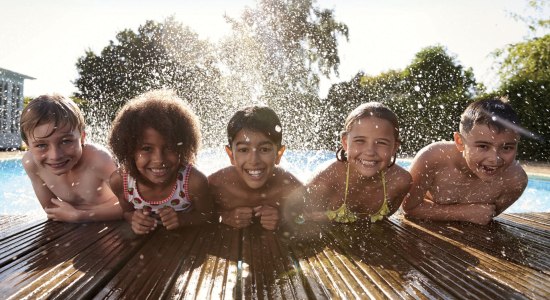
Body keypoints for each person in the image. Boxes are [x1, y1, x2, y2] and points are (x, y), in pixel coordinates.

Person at [402, 97, 528, 225]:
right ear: (460, 142)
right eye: (483, 146)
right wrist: (463, 212)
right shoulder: (433, 157)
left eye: (507, 148)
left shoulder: (515, 180)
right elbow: (409, 207)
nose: (494, 159)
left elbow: (484, 216)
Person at [108, 90, 213, 235]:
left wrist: (183, 219)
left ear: (183, 147)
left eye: (169, 147)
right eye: (146, 148)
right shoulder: (120, 181)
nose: (159, 159)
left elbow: (208, 215)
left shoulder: (193, 182)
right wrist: (134, 219)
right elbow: (126, 212)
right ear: (128, 150)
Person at [303, 102, 412, 223]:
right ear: (345, 143)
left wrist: (355, 219)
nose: (370, 151)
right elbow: (298, 218)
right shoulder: (328, 177)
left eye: (381, 142)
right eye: (360, 140)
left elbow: (382, 220)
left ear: (394, 147)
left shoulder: (400, 181)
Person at [20, 94, 122, 222]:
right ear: (28, 145)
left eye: (66, 141)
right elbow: (52, 211)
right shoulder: (31, 163)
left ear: (82, 137)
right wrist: (76, 216)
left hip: (117, 224)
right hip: (77, 228)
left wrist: (80, 216)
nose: (55, 156)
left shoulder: (98, 159)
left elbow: (133, 205)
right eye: (41, 145)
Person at [208, 106, 303, 230]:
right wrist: (225, 217)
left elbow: (309, 217)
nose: (254, 161)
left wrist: (284, 219)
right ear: (231, 155)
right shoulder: (217, 185)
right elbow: (200, 215)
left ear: (279, 154)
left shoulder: (290, 187)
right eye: (243, 150)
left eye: (264, 149)